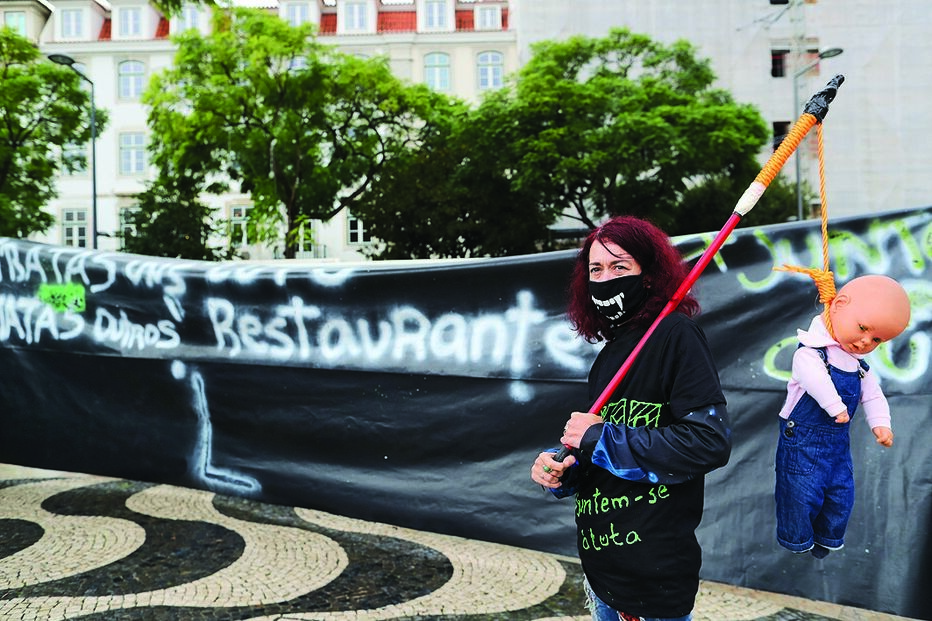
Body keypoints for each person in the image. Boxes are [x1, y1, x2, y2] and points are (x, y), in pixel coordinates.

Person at [530, 215, 731, 621]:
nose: (606, 279)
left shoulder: (676, 335)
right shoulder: (610, 354)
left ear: (651, 276)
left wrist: (599, 437)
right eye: (596, 270)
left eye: (620, 267)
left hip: (653, 580)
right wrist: (565, 469)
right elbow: (601, 453)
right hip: (604, 572)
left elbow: (709, 441)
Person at [774, 274, 910, 559]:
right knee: (800, 492)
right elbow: (815, 381)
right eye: (863, 328)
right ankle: (796, 539)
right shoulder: (811, 353)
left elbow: (874, 396)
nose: (864, 342)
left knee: (840, 495)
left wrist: (881, 425)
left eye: (876, 339)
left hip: (837, 446)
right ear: (838, 305)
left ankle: (827, 537)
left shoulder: (860, 367)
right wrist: (835, 406)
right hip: (802, 442)